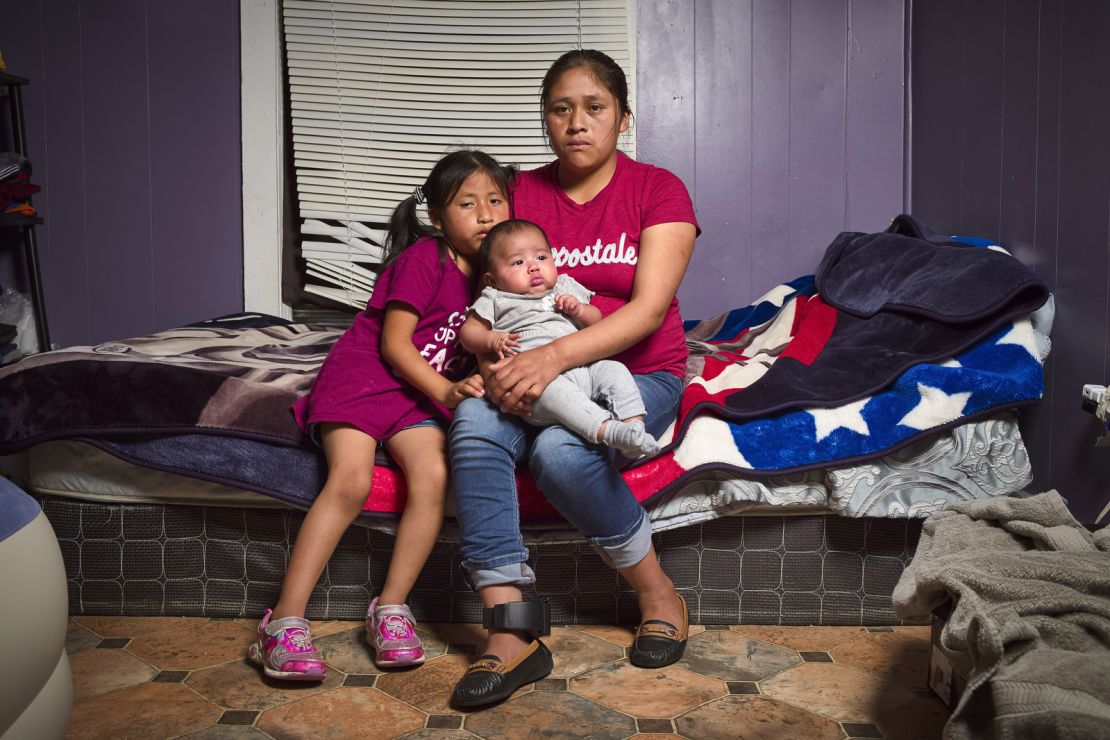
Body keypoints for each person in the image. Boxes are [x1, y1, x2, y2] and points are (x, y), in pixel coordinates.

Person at [448, 50, 699, 708]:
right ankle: (511, 629)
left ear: (622, 117)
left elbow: (647, 312)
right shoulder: (519, 193)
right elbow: (480, 294)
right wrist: (488, 366)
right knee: (473, 419)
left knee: (561, 450)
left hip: (634, 374)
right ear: (545, 119)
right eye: (560, 109)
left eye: (594, 107)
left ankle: (656, 592)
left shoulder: (659, 188)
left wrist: (552, 361)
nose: (576, 122)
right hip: (526, 370)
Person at [248, 149, 515, 680]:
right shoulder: (424, 260)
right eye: (468, 204)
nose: (486, 214)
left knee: (435, 475)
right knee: (350, 480)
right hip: (364, 381)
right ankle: (282, 621)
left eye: (495, 200)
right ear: (438, 218)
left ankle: (390, 609)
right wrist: (448, 392)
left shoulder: (495, 278)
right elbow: (395, 346)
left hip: (413, 398)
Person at [460, 218, 659, 458]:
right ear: (492, 280)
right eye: (518, 262)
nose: (533, 267)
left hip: (583, 365)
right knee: (559, 395)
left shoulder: (564, 286)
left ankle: (633, 427)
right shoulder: (495, 297)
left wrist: (579, 311)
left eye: (541, 258)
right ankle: (607, 430)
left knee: (615, 370)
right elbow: (468, 334)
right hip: (535, 383)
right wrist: (491, 340)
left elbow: (597, 321)